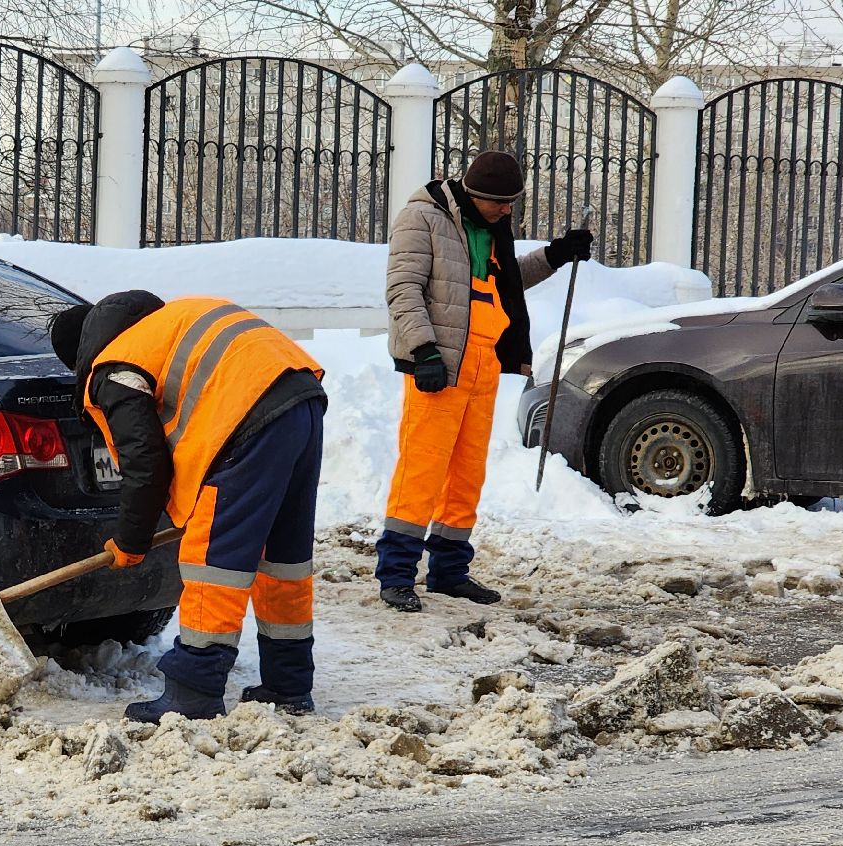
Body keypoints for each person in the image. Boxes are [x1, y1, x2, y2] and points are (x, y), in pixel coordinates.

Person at [51, 291, 326, 721]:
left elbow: (145, 462)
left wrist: (131, 540)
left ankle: (192, 692)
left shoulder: (114, 366)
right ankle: (288, 685)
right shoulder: (172, 322)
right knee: (282, 559)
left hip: (247, 421)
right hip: (301, 400)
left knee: (213, 561)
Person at [376, 150, 594, 612]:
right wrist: (422, 350)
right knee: (421, 471)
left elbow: (507, 281)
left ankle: (449, 572)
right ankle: (396, 574)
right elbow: (403, 289)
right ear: (475, 195)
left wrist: (556, 254)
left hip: (482, 364)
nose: (508, 211)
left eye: (513, 203)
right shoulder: (422, 219)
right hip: (440, 362)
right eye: (501, 203)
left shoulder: (490, 227)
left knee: (467, 473)